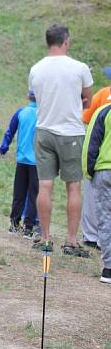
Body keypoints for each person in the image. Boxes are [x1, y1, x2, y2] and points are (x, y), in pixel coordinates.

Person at [28, 24, 93, 256]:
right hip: (71, 132)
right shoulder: (79, 67)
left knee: (45, 185)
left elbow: (33, 96)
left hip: (44, 129)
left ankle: (45, 239)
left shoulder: (36, 69)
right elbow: (88, 98)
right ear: (66, 41)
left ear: (48, 42)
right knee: (73, 186)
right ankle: (71, 241)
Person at [0, 90, 38, 237]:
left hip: (22, 161)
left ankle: (14, 224)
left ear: (27, 96)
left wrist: (1, 150)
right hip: (38, 162)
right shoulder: (45, 115)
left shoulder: (21, 112)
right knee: (34, 195)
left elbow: (10, 132)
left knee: (19, 194)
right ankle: (28, 229)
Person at [80, 66, 111, 249]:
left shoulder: (102, 94)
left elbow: (86, 119)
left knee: (94, 198)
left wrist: (88, 166)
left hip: (100, 158)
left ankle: (92, 236)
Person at [82, 100, 111, 283]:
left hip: (105, 172)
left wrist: (89, 172)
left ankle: (109, 268)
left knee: (106, 219)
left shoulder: (103, 111)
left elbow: (90, 144)